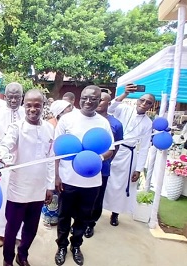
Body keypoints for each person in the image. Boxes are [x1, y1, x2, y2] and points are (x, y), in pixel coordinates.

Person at [54, 85, 114, 266]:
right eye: (85, 98)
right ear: (80, 98)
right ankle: (62, 246)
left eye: (93, 99)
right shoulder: (67, 119)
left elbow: (111, 149)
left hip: (91, 181)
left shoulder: (103, 123)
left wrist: (99, 158)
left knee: (83, 217)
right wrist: (56, 176)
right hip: (67, 179)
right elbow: (57, 149)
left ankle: (76, 245)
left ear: (99, 101)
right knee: (63, 216)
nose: (88, 102)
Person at [0, 89, 55, 266]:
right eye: (29, 105)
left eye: (37, 105)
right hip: (18, 188)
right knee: (11, 228)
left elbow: (51, 159)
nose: (33, 109)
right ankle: (7, 260)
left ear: (43, 106)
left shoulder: (49, 129)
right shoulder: (16, 127)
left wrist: (49, 186)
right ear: (24, 105)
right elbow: (6, 144)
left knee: (31, 227)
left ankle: (23, 255)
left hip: (39, 188)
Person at [103, 84, 154, 227]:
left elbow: (144, 147)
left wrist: (139, 169)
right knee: (104, 182)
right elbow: (110, 107)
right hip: (112, 151)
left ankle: (115, 214)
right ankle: (95, 213)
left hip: (129, 155)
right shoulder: (125, 109)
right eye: (142, 100)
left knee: (121, 186)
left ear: (151, 106)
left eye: (148, 102)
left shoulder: (148, 123)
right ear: (137, 100)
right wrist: (124, 94)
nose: (144, 104)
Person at [0, 82, 25, 247]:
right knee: (3, 198)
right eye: (10, 96)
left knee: (20, 199)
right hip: (3, 162)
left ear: (21, 97)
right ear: (5, 96)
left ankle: (18, 233)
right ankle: (0, 233)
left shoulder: (27, 112)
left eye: (17, 96)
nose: (13, 100)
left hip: (23, 163)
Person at [86, 92, 123, 238]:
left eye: (101, 100)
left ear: (109, 103)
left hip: (102, 167)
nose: (97, 102)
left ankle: (90, 224)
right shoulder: (86, 119)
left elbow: (117, 145)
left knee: (97, 197)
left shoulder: (116, 124)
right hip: (84, 166)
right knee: (82, 197)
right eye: (96, 99)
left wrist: (107, 159)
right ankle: (79, 223)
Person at [42, 99, 73, 228]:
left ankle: (61, 218)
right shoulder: (50, 125)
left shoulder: (69, 123)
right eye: (68, 109)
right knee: (52, 192)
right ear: (60, 112)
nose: (71, 111)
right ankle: (49, 218)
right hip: (52, 163)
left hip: (66, 164)